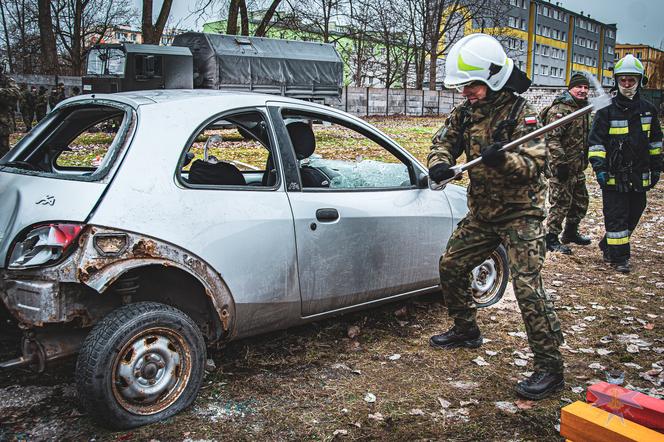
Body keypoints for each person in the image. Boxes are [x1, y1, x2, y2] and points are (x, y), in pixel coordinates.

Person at [427, 33, 564, 400]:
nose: (465, 93)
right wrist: (440, 163)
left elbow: (535, 165)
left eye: (471, 86)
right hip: (484, 213)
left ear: (491, 79)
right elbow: (443, 142)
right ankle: (466, 329)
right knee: (452, 265)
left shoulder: (523, 113)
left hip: (523, 215)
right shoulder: (465, 112)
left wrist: (502, 158)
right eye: (463, 87)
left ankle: (550, 367)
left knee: (527, 288)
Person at [588, 54, 662, 273]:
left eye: (631, 80)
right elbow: (596, 142)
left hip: (639, 173)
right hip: (613, 173)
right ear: (617, 81)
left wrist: (657, 167)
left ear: (639, 81)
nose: (627, 84)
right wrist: (599, 168)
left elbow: (656, 141)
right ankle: (619, 258)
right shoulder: (606, 109)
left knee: (636, 210)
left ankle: (608, 244)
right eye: (623, 80)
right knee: (616, 215)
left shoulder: (649, 109)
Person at [543, 73, 592, 254]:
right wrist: (560, 163)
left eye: (586, 88)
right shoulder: (561, 110)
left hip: (577, 167)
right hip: (562, 168)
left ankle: (570, 233)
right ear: (570, 88)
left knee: (580, 202)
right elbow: (552, 138)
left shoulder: (584, 109)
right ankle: (551, 238)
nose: (582, 90)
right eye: (579, 87)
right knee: (560, 204)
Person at [0, 68, 20, 157]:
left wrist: (1, 91)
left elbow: (16, 93)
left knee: (3, 153)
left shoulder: (6, 80)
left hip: (2, 124)